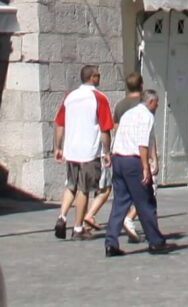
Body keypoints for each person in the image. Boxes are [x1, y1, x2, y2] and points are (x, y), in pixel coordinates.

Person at [101, 87, 173, 257]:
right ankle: (155, 241)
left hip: (119, 158)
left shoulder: (128, 114)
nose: (157, 107)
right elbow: (142, 144)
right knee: (146, 201)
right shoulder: (146, 116)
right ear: (151, 102)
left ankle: (111, 243)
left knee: (120, 203)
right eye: (156, 103)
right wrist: (146, 167)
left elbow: (120, 135)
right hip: (133, 162)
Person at [54, 63, 113, 241]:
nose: (100, 77)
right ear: (92, 78)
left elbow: (59, 123)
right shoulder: (99, 98)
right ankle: (78, 228)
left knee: (71, 185)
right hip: (89, 151)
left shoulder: (70, 97)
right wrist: (107, 152)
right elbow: (105, 129)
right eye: (98, 75)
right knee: (84, 189)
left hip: (71, 150)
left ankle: (62, 216)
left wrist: (58, 147)